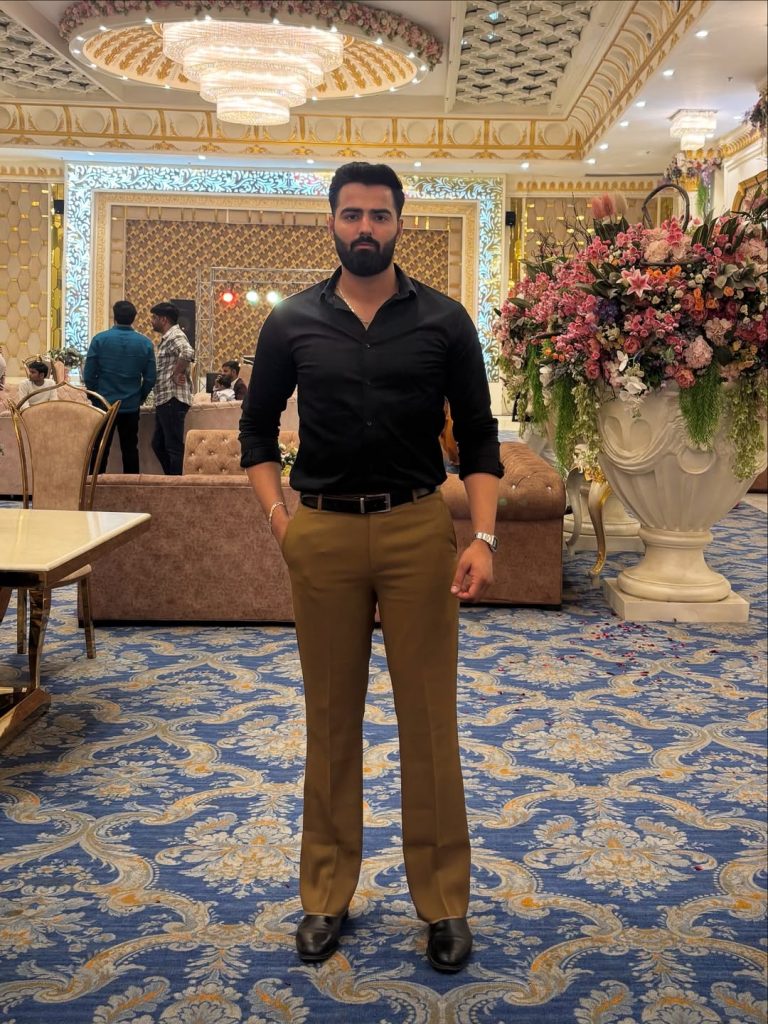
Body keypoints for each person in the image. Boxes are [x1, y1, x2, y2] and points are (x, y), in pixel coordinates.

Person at [239, 161, 501, 973]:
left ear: (399, 224)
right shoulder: (290, 322)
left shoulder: (445, 321)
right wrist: (281, 522)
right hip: (320, 532)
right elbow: (255, 434)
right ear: (331, 222)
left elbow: (480, 437)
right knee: (329, 717)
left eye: (379, 215)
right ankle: (325, 892)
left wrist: (484, 538)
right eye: (351, 214)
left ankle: (445, 903)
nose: (365, 228)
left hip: (418, 527)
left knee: (429, 720)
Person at [83, 299, 157, 473]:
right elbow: (150, 378)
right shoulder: (145, 343)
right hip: (130, 405)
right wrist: (140, 397)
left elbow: (89, 375)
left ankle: (96, 485)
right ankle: (131, 486)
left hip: (104, 404)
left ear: (114, 317)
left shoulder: (100, 340)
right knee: (130, 449)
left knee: (100, 448)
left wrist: (95, 397)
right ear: (134, 318)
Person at [150, 301, 194, 475]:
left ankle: (177, 484)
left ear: (164, 319)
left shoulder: (175, 335)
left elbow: (188, 352)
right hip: (166, 398)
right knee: (158, 444)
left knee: (173, 446)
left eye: (154, 317)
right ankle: (171, 479)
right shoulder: (169, 337)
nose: (152, 321)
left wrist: (176, 373)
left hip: (172, 398)